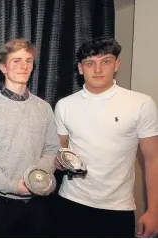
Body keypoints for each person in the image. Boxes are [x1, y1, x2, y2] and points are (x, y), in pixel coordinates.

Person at [54, 36, 158, 238]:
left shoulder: (141, 104)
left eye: (106, 62)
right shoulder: (64, 105)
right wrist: (57, 162)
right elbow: (60, 152)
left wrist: (153, 211)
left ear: (116, 64)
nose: (98, 70)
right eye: (90, 63)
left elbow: (153, 161)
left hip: (117, 208)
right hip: (70, 202)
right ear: (80, 68)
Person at [0, 38, 59, 237]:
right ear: (3, 67)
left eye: (28, 61)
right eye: (16, 61)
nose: (23, 66)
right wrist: (12, 186)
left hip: (38, 203)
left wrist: (35, 180)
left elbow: (52, 149)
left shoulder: (44, 107)